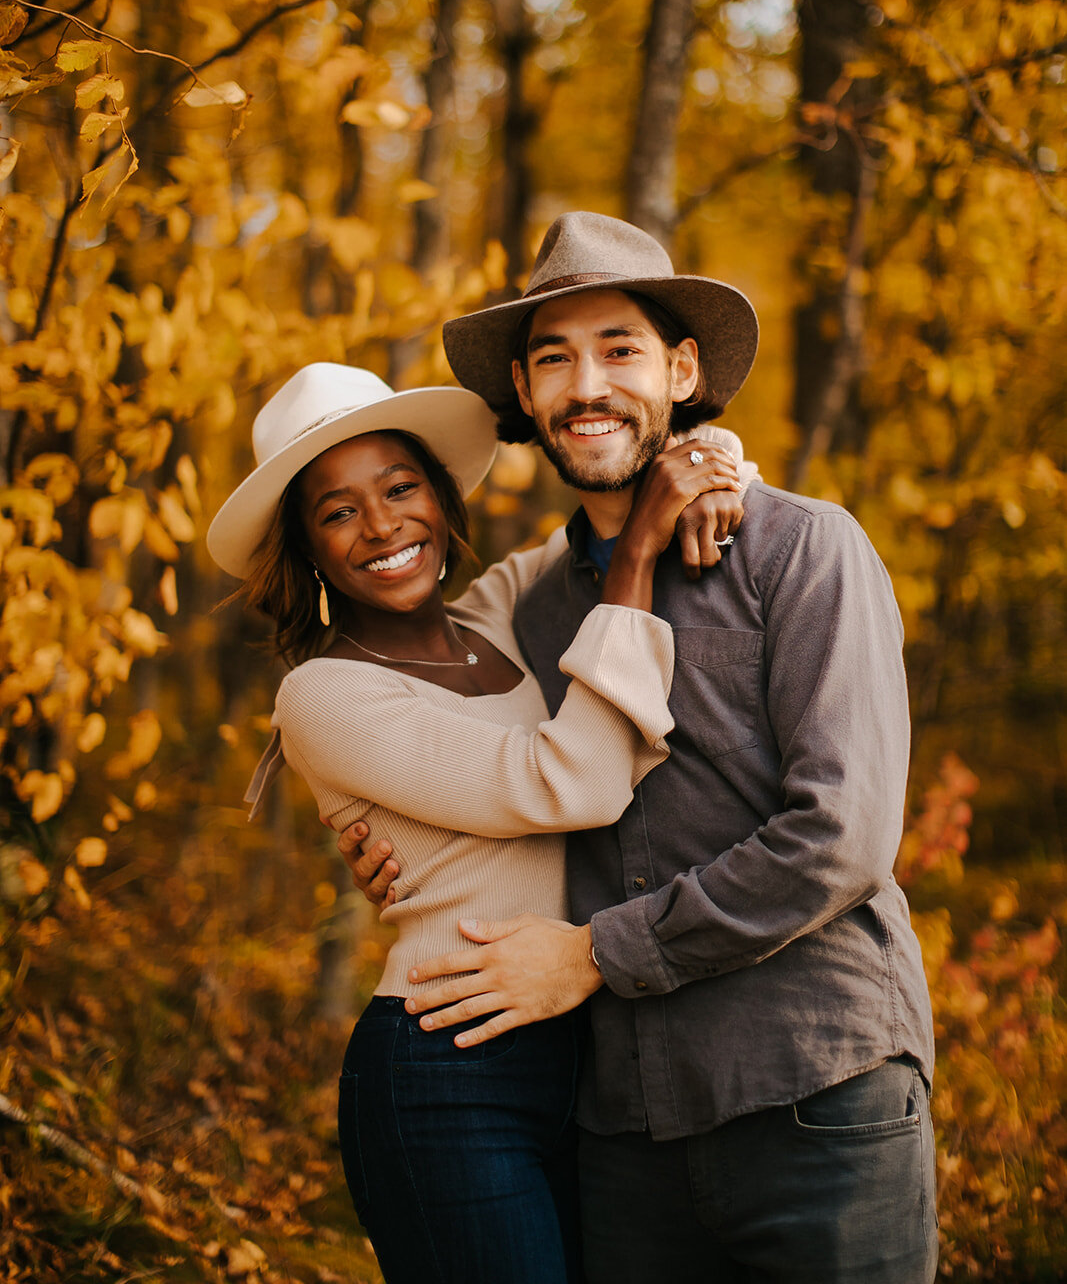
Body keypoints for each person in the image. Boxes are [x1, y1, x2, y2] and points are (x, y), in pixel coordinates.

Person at [347, 211, 938, 1284]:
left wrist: (591, 953)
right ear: (522, 395)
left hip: (813, 1089)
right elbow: (377, 688)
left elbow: (840, 835)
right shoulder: (524, 606)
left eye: (618, 349)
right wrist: (366, 826)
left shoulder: (802, 549)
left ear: (681, 370)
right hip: (622, 1132)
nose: (586, 386)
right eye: (551, 360)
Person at [206, 360, 752, 1284]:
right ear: (304, 549)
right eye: (337, 512)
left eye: (400, 487)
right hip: (443, 1072)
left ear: (442, 500)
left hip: (586, 1054)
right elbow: (566, 783)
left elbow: (626, 498)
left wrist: (715, 454)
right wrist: (633, 565)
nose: (381, 526)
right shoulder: (322, 695)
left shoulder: (496, 615)